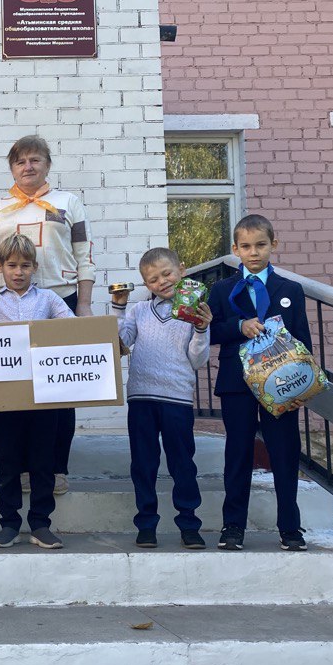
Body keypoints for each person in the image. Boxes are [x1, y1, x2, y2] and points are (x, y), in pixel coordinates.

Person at [0, 135, 95, 495]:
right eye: (20, 161)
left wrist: (84, 305)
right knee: (15, 390)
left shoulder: (68, 202)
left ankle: (57, 468)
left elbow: (84, 257)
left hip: (58, 300)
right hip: (7, 305)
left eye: (35, 160)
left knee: (61, 389)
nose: (27, 167)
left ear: (47, 164)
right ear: (11, 167)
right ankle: (24, 468)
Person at [208, 214, 312, 552]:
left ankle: (290, 528)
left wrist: (300, 382)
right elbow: (209, 330)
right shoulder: (222, 290)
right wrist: (239, 326)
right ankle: (233, 527)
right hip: (237, 382)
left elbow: (302, 339)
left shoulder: (290, 290)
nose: (254, 252)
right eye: (247, 246)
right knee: (238, 452)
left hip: (280, 382)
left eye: (261, 245)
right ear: (235, 249)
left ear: (273, 245)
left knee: (284, 452)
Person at [0, 234, 72, 549]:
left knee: (43, 461)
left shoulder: (49, 300)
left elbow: (73, 330)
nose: (18, 272)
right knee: (7, 461)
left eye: (25, 265)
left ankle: (40, 524)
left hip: (44, 395)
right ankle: (9, 523)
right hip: (5, 399)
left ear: (35, 267)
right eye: (11, 265)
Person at [111, 247, 212, 550]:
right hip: (141, 397)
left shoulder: (194, 310)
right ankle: (146, 523)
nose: (162, 282)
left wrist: (201, 329)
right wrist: (118, 308)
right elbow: (120, 343)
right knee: (143, 463)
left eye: (167, 273)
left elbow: (198, 360)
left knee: (183, 463)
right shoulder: (138, 311)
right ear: (146, 285)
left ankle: (189, 524)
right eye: (153, 279)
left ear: (182, 269)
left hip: (177, 398)